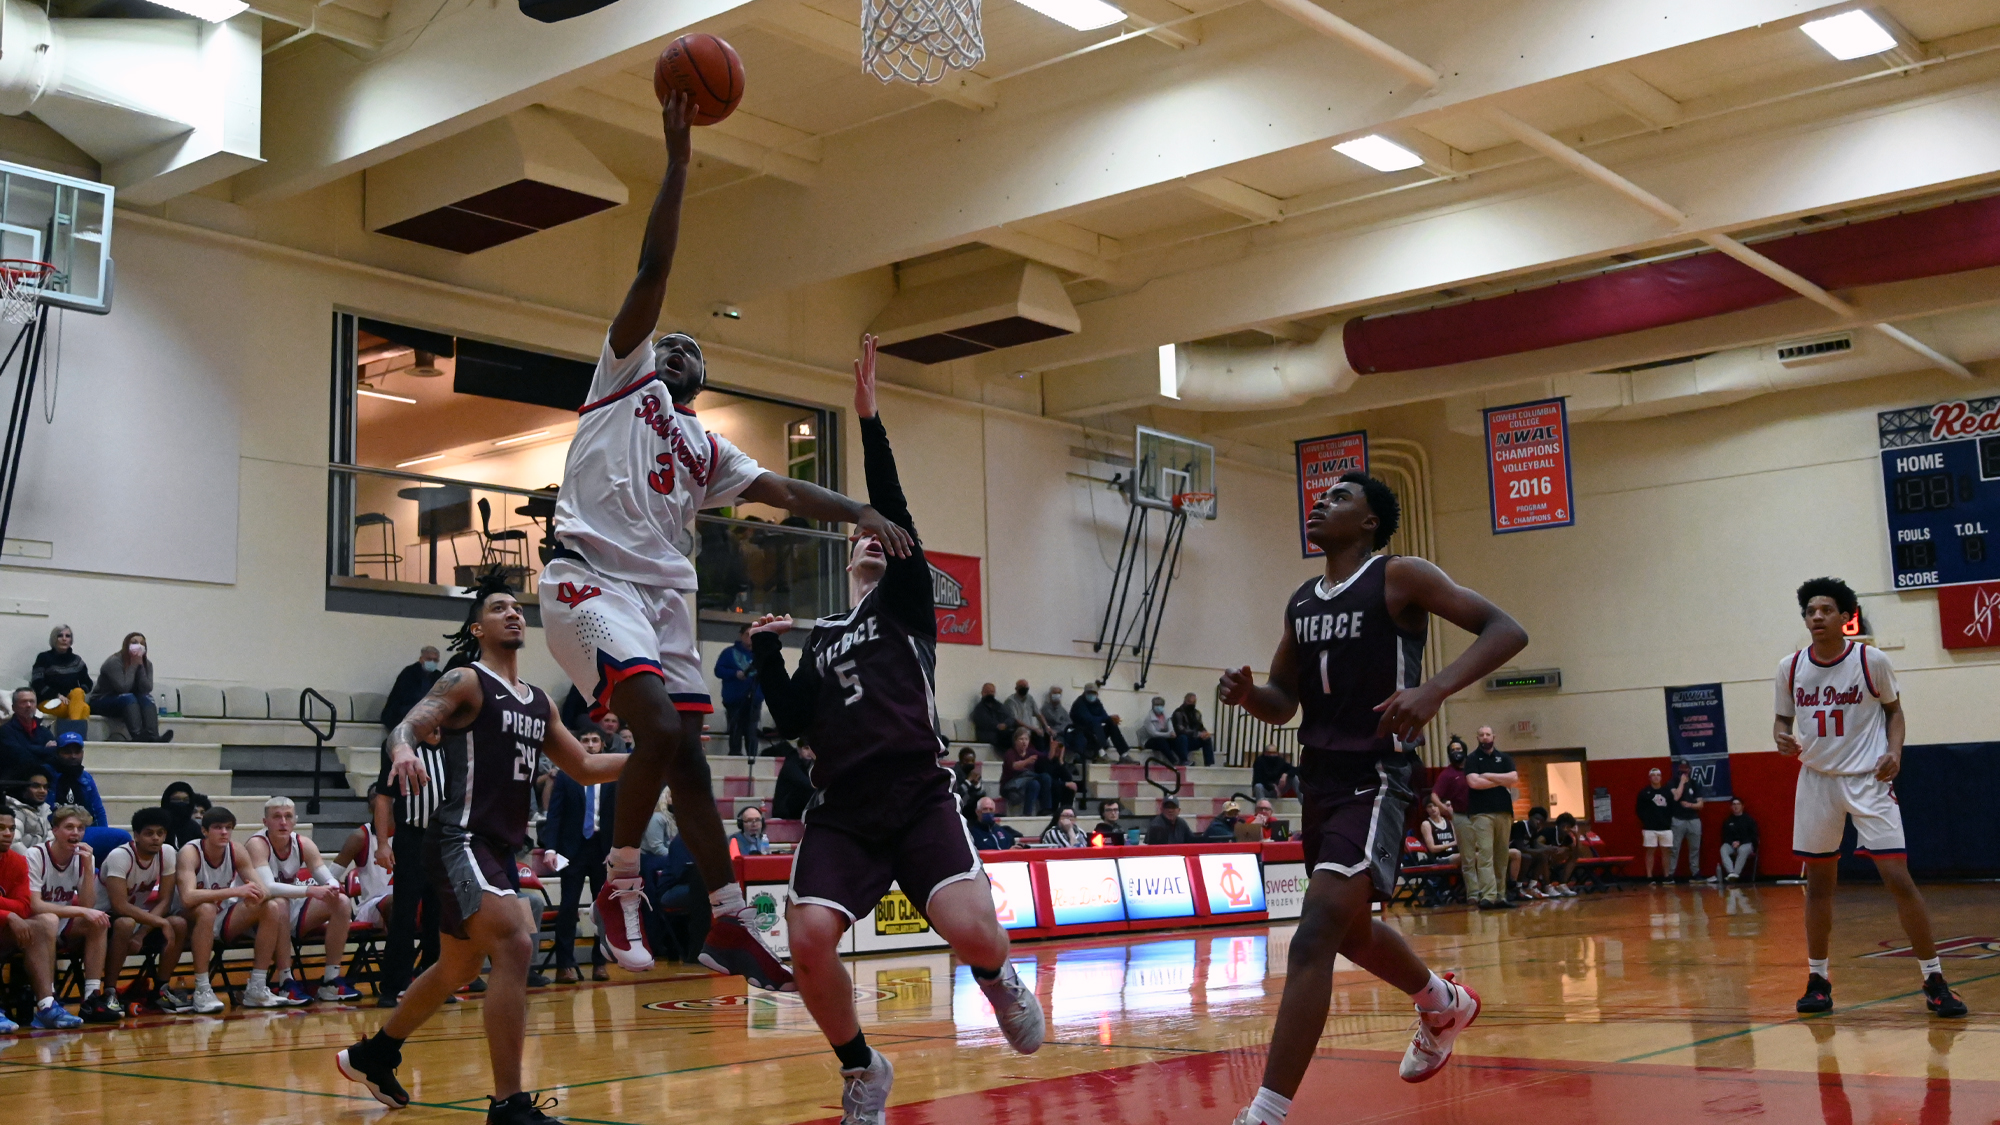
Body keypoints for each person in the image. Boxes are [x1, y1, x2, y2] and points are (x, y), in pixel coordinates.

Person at [535, 99, 909, 985]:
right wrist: (676, 157)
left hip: (664, 599)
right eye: (669, 338)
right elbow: (653, 264)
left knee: (690, 763)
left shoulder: (706, 448)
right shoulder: (621, 381)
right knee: (657, 721)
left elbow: (781, 488)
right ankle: (619, 883)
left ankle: (728, 916)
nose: (677, 345)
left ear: (703, 380)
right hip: (589, 579)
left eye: (692, 350)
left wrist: (859, 509)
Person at [743, 340, 1044, 1125]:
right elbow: (795, 722)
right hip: (843, 807)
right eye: (863, 534)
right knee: (808, 935)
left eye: (882, 533)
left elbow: (895, 511)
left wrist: (869, 422)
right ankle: (862, 1067)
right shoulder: (823, 632)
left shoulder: (906, 604)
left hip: (916, 793)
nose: (873, 538)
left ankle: (997, 977)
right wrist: (766, 653)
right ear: (849, 552)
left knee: (972, 930)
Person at [1221, 470, 1527, 1125]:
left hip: (1379, 773)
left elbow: (1506, 629)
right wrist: (1251, 696)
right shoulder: (1302, 601)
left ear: (1367, 522)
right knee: (1350, 931)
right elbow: (1284, 698)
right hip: (1320, 780)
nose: (1320, 501)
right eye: (1320, 494)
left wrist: (1435, 689)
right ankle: (1442, 999)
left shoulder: (1399, 576)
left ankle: (1265, 1113)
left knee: (1314, 932)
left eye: (1338, 497)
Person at [336, 576, 630, 1124]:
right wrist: (402, 752)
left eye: (517, 608)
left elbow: (586, 768)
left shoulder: (540, 701)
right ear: (478, 627)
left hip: (498, 846)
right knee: (517, 941)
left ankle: (374, 1053)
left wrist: (655, 763)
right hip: (458, 839)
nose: (513, 614)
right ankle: (507, 1104)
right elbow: (408, 723)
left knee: (457, 966)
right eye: (498, 609)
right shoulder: (467, 680)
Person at [1776, 577, 1965, 1018]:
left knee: (1898, 880)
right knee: (1818, 885)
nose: (1816, 616)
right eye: (1810, 611)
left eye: (1826, 609)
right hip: (1817, 781)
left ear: (1846, 617)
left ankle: (1934, 979)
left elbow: (1894, 712)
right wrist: (1781, 737)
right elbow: (1781, 721)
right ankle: (1818, 979)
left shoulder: (1870, 660)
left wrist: (1894, 752)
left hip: (1868, 780)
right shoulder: (1789, 667)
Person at [244, 795, 363, 1006]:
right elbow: (268, 889)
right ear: (265, 822)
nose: (283, 822)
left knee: (342, 901)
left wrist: (333, 887)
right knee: (279, 903)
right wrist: (310, 890)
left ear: (295, 820)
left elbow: (326, 877)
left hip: (290, 910)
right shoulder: (257, 844)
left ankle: (330, 980)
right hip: (259, 915)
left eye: (287, 816)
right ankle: (285, 981)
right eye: (277, 817)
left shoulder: (303, 843)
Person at [372, 724, 448, 1008]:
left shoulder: (455, 744)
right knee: (404, 914)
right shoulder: (400, 748)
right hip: (411, 837)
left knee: (440, 916)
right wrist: (382, 843)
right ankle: (392, 986)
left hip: (446, 838)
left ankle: (436, 983)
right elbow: (383, 798)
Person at [29, 805, 121, 1022]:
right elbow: (35, 905)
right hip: (35, 920)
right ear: (54, 830)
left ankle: (91, 997)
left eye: (80, 828)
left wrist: (89, 867)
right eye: (69, 827)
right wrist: (80, 910)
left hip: (63, 919)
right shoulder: (36, 854)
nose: (76, 833)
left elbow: (89, 904)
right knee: (50, 919)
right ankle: (48, 998)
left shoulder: (83, 857)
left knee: (99, 921)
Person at [99, 807, 191, 1013]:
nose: (156, 838)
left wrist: (142, 934)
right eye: (149, 833)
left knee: (178, 923)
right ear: (137, 835)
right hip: (103, 917)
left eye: (161, 833)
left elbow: (165, 900)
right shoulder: (120, 856)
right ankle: (110, 991)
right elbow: (119, 906)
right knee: (125, 923)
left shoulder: (167, 853)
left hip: (136, 915)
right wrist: (159, 922)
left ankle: (161, 989)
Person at [175, 807, 264, 1015]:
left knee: (271, 906)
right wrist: (235, 891)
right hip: (185, 920)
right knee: (206, 909)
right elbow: (188, 897)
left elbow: (263, 889)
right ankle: (202, 988)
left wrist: (255, 898)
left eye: (228, 828)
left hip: (219, 917)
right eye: (218, 828)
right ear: (204, 831)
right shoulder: (190, 852)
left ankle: (257, 985)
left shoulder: (237, 850)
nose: (224, 832)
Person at [544, 727, 615, 983]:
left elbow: (620, 817)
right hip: (572, 849)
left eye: (595, 740)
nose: (590, 744)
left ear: (602, 746)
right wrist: (551, 848)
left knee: (602, 908)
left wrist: (620, 848)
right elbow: (555, 815)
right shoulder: (566, 776)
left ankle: (600, 962)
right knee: (568, 906)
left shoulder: (612, 777)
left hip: (603, 849)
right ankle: (565, 964)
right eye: (585, 739)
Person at [0, 805, 80, 1029]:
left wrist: (10, 916)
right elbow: (17, 908)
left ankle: (46, 1005)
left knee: (44, 923)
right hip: (6, 924)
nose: (8, 833)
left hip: (5, 932)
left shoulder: (16, 860)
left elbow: (25, 907)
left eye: (10, 828)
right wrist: (9, 914)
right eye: (1, 828)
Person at [1463, 727, 1518, 910]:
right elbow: (1474, 783)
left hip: (1504, 812)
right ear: (1477, 737)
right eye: (1481, 734)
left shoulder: (1505, 758)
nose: (1485, 737)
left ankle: (1501, 896)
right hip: (1482, 813)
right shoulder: (1472, 759)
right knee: (1486, 854)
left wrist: (1488, 776)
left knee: (1502, 856)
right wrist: (1500, 781)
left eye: (1488, 734)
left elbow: (1513, 778)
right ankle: (1488, 896)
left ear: (1494, 736)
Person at [49, 733, 126, 855]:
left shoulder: (86, 778)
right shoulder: (48, 775)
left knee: (122, 838)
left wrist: (103, 835)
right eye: (67, 752)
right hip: (55, 831)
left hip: (83, 829)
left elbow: (98, 810)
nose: (73, 756)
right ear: (58, 753)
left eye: (77, 751)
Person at [89, 631, 172, 743]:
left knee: (147, 698)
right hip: (102, 700)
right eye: (134, 642)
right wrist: (133, 665)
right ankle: (138, 735)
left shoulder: (147, 664)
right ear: (126, 644)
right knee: (128, 697)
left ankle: (154, 737)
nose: (139, 646)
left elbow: (146, 688)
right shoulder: (114, 662)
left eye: (142, 644)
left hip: (128, 703)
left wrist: (141, 666)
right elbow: (123, 688)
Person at [714, 626, 763, 758]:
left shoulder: (762, 655)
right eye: (747, 634)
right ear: (741, 635)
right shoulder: (729, 653)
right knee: (735, 728)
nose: (750, 638)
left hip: (754, 700)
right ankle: (735, 756)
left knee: (751, 730)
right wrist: (735, 674)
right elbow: (718, 671)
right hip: (734, 699)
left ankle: (752, 757)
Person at [30, 624, 93, 722]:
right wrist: (57, 695)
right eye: (60, 636)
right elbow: (37, 683)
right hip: (49, 701)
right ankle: (75, 733)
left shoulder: (77, 660)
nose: (64, 639)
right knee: (84, 708)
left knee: (78, 692)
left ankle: (72, 733)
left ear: (71, 640)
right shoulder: (43, 658)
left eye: (67, 636)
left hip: (71, 700)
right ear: (54, 638)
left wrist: (76, 694)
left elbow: (88, 683)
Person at [383, 646, 444, 730]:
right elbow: (404, 697)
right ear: (421, 659)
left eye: (435, 660)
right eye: (429, 659)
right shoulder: (409, 673)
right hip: (402, 713)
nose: (432, 662)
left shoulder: (438, 676)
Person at [1, 687, 55, 780]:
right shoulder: (5, 731)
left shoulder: (44, 731)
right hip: (16, 783)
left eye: (32, 701)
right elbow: (22, 758)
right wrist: (44, 750)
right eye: (24, 702)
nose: (29, 705)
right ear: (14, 707)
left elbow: (56, 754)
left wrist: (28, 748)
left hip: (44, 782)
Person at [1069, 683, 1131, 763]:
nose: (1092, 695)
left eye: (1094, 693)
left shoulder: (1097, 702)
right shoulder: (1079, 703)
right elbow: (1089, 719)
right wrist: (1107, 718)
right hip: (1082, 734)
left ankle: (1124, 754)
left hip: (1095, 734)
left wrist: (1112, 719)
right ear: (1084, 693)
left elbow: (1104, 716)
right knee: (1095, 724)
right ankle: (1100, 754)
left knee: (1112, 724)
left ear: (1097, 694)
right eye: (1089, 693)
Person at [1667, 759, 1704, 883]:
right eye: (1681, 768)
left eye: (1686, 768)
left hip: (1693, 820)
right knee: (1674, 848)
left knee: (1695, 848)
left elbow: (1700, 804)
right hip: (1678, 819)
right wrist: (1682, 782)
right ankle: (1670, 874)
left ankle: (1695, 873)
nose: (1683, 770)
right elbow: (1676, 796)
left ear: (1689, 769)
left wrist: (1690, 805)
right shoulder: (1672, 782)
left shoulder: (1695, 783)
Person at [1635, 767, 1674, 883]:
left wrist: (1667, 821)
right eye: (1654, 775)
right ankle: (1649, 876)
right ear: (1650, 778)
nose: (1656, 777)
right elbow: (1639, 810)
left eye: (1658, 775)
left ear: (1661, 777)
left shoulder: (1667, 792)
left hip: (1665, 827)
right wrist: (1646, 821)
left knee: (1666, 851)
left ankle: (1666, 876)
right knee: (1650, 851)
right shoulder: (1644, 793)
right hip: (1650, 828)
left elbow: (1672, 808)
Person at [999, 728, 1048, 817]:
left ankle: (1043, 810)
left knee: (1041, 780)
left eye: (1026, 739)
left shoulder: (1030, 751)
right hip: (1011, 785)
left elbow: (1046, 757)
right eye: (1021, 739)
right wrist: (1027, 761)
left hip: (1025, 783)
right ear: (1015, 741)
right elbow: (1014, 766)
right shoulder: (1010, 753)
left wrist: (1053, 748)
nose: (1024, 742)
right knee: (1036, 781)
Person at [8, 769, 52, 853]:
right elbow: (14, 844)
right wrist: (33, 863)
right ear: (22, 789)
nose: (42, 791)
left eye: (45, 787)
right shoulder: (14, 812)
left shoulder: (43, 811)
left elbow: (51, 842)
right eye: (36, 786)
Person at [770, 740, 815, 820]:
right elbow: (804, 783)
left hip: (797, 805)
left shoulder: (812, 763)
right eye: (806, 748)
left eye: (812, 749)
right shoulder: (791, 764)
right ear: (799, 749)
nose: (809, 752)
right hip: (785, 808)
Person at [1718, 798, 1758, 882]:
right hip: (1732, 844)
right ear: (1731, 807)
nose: (1736, 806)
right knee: (1723, 849)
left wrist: (1740, 842)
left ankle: (1736, 874)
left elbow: (1753, 836)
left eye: (1738, 804)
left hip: (1746, 844)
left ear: (1742, 806)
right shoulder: (1728, 821)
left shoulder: (1749, 820)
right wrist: (1732, 843)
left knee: (1742, 849)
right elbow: (1725, 836)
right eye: (1734, 804)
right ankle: (1731, 872)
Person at [1038, 737, 1080, 812]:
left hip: (1055, 786)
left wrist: (1061, 760)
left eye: (1060, 747)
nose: (1058, 749)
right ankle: (1051, 811)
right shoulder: (1042, 759)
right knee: (1057, 787)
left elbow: (1068, 778)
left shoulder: (1057, 762)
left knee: (1069, 788)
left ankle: (1066, 812)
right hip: (1044, 786)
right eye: (1056, 746)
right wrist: (1051, 753)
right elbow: (1047, 778)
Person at [1173, 693, 1216, 767]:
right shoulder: (1178, 713)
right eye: (1189, 702)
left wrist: (1205, 733)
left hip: (1193, 740)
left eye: (1194, 702)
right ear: (1185, 701)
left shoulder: (1196, 713)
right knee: (1183, 737)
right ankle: (1183, 760)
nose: (1192, 704)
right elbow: (1180, 730)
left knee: (1207, 739)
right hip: (1180, 741)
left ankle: (1209, 763)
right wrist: (1197, 734)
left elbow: (1200, 726)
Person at [970, 683, 1016, 751]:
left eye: (991, 692)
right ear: (982, 693)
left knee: (1018, 736)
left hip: (1002, 732)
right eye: (987, 692)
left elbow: (1010, 718)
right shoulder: (979, 708)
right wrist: (997, 726)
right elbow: (985, 722)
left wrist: (1005, 724)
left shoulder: (999, 705)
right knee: (1006, 738)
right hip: (987, 734)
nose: (989, 694)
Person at [1003, 680, 1048, 749]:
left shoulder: (1030, 698)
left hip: (1030, 730)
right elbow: (1016, 720)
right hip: (1018, 730)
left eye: (1025, 687)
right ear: (1016, 688)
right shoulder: (1010, 701)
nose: (1024, 688)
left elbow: (1038, 714)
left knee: (1043, 737)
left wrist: (1047, 727)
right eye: (1021, 686)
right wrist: (1033, 728)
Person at [1136, 697, 1181, 764]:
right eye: (1156, 705)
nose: (1159, 706)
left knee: (1177, 740)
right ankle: (1173, 760)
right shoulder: (1148, 718)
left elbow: (1170, 727)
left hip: (1163, 737)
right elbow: (1153, 734)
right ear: (1153, 706)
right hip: (1148, 740)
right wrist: (1168, 734)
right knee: (1161, 741)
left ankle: (1182, 759)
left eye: (1161, 705)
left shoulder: (1166, 716)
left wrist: (1172, 733)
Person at [161, 781, 203, 849]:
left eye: (185, 800)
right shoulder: (159, 825)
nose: (181, 803)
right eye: (176, 799)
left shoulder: (195, 829)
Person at [1418, 795, 1459, 865]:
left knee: (1477, 855)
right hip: (1439, 858)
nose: (1433, 808)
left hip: (1454, 854)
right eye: (1429, 806)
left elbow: (1457, 842)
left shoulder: (1450, 822)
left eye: (1435, 805)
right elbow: (1432, 848)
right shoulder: (1426, 824)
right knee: (1467, 857)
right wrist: (1452, 844)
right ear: (1426, 809)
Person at [1039, 686, 1072, 753]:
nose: (1056, 695)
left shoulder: (1063, 710)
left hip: (1061, 734)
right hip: (1049, 735)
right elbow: (1047, 722)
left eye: (1058, 693)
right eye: (1054, 693)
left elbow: (1068, 723)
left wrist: (1058, 730)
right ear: (1050, 695)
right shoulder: (1045, 709)